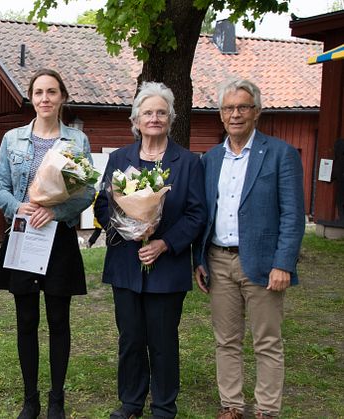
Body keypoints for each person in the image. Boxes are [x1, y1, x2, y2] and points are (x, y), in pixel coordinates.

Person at [193, 79, 305, 419]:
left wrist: (283, 263)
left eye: (243, 107)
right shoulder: (211, 158)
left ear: (257, 112)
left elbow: (292, 214)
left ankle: (267, 410)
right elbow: (204, 213)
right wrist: (200, 259)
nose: (235, 114)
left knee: (266, 341)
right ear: (220, 116)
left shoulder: (280, 154)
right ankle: (232, 405)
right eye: (229, 108)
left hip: (263, 263)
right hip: (218, 261)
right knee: (226, 340)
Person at [94, 82, 206, 419]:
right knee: (130, 339)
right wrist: (127, 229)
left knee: (162, 341)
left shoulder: (187, 162)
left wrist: (163, 243)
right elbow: (103, 205)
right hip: (126, 264)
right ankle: (131, 402)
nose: (154, 118)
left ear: (170, 118)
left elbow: (196, 213)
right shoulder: (119, 159)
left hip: (166, 267)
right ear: (136, 119)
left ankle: (163, 406)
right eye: (148, 113)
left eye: (161, 112)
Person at [0, 68, 95, 419]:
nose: (45, 98)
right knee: (26, 320)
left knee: (58, 321)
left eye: (52, 92)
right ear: (31, 98)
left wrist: (56, 212)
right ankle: (30, 399)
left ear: (62, 97)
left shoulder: (77, 142)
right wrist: (16, 206)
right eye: (39, 92)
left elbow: (89, 191)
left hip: (59, 238)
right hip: (24, 235)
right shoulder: (12, 139)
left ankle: (56, 399)